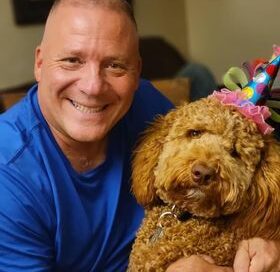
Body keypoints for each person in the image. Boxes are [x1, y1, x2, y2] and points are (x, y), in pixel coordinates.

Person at [0, 0, 279, 271]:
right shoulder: (8, 173)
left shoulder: (145, 104)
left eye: (115, 65)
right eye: (72, 60)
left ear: (136, 72)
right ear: (39, 63)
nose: (93, 86)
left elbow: (229, 192)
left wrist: (267, 241)